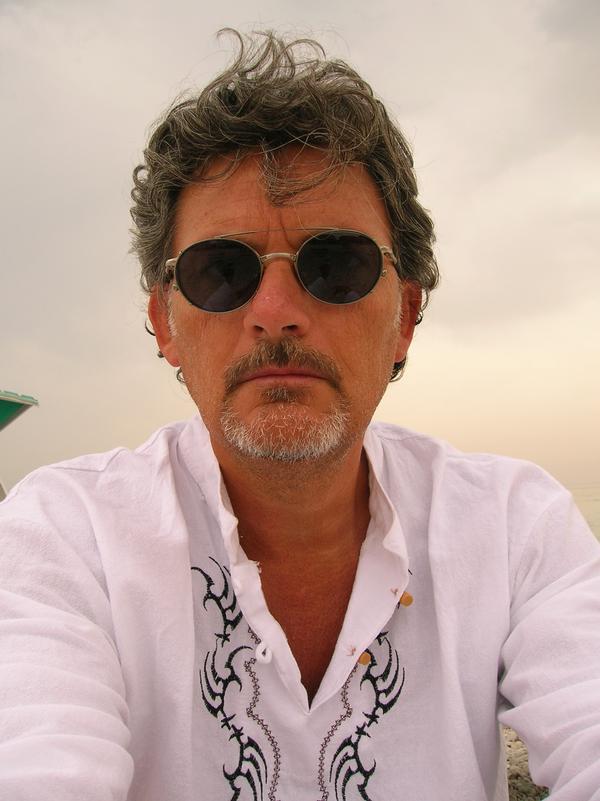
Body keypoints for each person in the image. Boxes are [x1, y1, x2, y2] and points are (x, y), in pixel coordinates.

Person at [0, 30, 599, 801]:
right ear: (164, 322)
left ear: (405, 314)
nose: (276, 311)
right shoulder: (64, 539)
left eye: (336, 265)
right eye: (222, 271)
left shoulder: (516, 530)